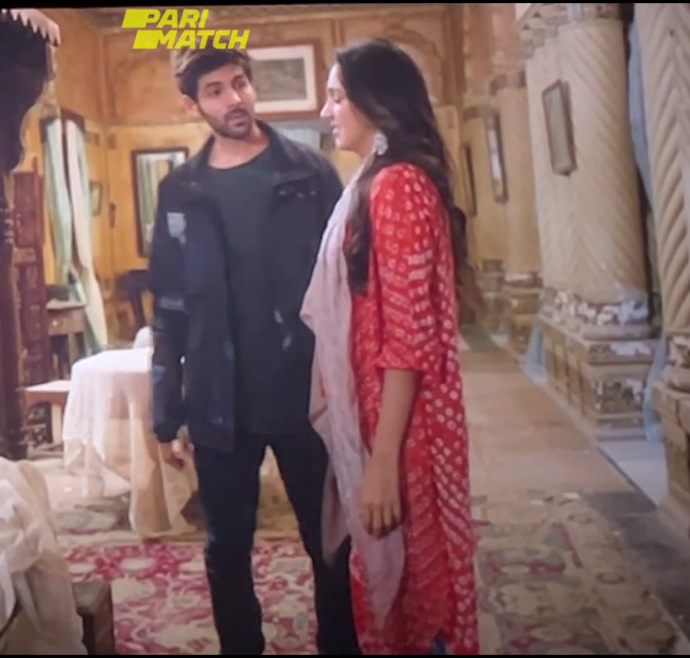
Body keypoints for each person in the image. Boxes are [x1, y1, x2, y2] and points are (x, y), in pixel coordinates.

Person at [147, 46, 362, 655]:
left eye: (239, 83)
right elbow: (168, 308)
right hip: (219, 401)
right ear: (192, 105)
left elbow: (350, 283)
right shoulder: (181, 192)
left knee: (331, 543)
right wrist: (166, 413)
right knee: (226, 549)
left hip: (307, 392)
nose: (233, 98)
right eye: (215, 90)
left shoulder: (309, 174)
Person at [299, 38, 479, 655]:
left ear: (375, 102)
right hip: (384, 418)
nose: (326, 112)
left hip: (406, 430)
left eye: (336, 97)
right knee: (393, 585)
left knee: (416, 592)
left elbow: (408, 340)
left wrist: (382, 463)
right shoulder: (375, 182)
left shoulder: (398, 186)